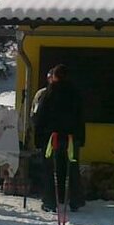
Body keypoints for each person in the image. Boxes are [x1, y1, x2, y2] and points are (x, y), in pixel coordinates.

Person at [31, 64, 85, 212]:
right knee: (71, 167)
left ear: (54, 76)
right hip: (71, 137)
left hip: (52, 137)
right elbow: (80, 116)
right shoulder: (75, 93)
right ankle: (75, 200)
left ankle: (50, 201)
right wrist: (81, 138)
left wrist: (38, 138)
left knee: (50, 169)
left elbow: (40, 116)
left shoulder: (49, 93)